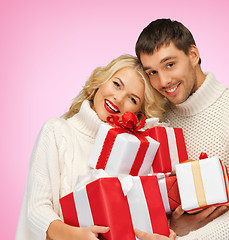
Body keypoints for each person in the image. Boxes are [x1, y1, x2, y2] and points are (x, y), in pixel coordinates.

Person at [135, 19, 229, 239]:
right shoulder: (156, 119)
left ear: (193, 54)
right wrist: (176, 228)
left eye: (170, 64)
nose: (163, 81)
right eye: (152, 72)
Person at [15, 54, 171, 240]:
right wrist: (77, 235)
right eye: (117, 84)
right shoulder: (57, 131)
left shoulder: (134, 154)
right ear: (101, 81)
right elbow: (36, 210)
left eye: (133, 99)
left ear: (139, 113)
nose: (118, 99)